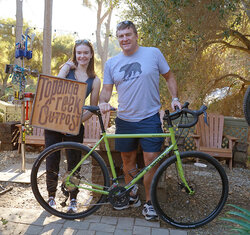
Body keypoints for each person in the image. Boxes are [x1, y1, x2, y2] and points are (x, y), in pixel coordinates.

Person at [99, 21, 181, 220]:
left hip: (149, 118)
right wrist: (102, 101)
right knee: (127, 160)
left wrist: (175, 98)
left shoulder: (153, 53)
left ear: (136, 36)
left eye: (128, 35)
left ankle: (150, 203)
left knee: (151, 162)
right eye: (121, 36)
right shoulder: (112, 63)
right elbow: (107, 91)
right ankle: (132, 194)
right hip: (125, 120)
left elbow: (169, 77)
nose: (125, 39)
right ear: (118, 39)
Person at [45, 39, 101, 213]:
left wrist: (75, 123)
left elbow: (92, 109)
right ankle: (51, 196)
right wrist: (64, 68)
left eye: (86, 53)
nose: (82, 56)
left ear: (91, 55)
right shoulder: (67, 70)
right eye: (79, 53)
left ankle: (73, 200)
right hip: (54, 122)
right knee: (52, 159)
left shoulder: (95, 80)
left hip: (74, 126)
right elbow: (53, 88)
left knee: (73, 163)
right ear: (75, 54)